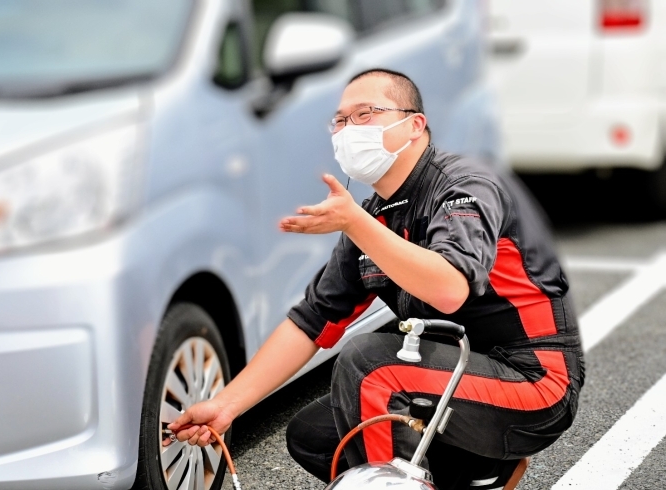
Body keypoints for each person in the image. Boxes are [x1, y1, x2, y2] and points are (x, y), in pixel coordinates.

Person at [166, 68, 584, 490]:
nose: (349, 130)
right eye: (341, 121)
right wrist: (225, 405)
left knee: (371, 366)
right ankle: (479, 472)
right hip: (452, 376)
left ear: (414, 125)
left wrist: (355, 223)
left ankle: (458, 466)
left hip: (534, 380)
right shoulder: (374, 216)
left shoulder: (464, 186)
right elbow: (310, 322)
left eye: (365, 114)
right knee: (317, 436)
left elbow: (448, 288)